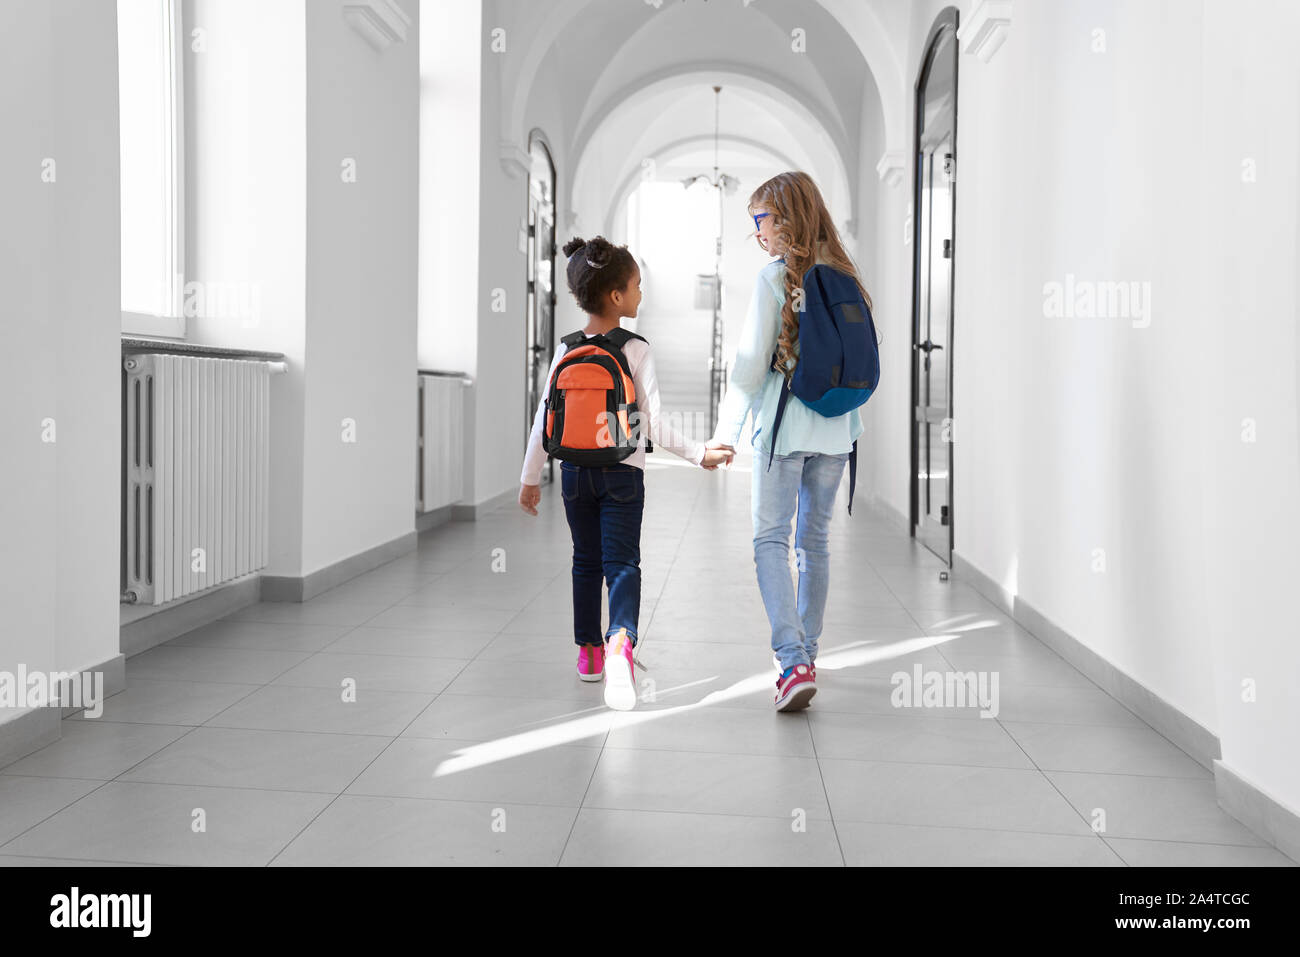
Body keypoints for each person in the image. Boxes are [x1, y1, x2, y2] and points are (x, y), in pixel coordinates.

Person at [519, 236, 732, 711]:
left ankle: (589, 654)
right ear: (615, 296)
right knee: (622, 563)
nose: (641, 295)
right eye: (637, 287)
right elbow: (649, 423)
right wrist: (700, 453)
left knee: (584, 561)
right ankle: (621, 645)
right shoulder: (635, 349)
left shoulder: (566, 347)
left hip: (573, 471)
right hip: (622, 473)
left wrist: (530, 477)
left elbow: (543, 416)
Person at [705, 172, 870, 712]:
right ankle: (808, 655)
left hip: (785, 427)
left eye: (762, 220)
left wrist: (726, 433)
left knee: (770, 540)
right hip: (839, 429)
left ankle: (791, 658)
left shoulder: (775, 278)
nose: (758, 233)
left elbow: (751, 367)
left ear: (788, 217)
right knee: (815, 542)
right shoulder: (845, 272)